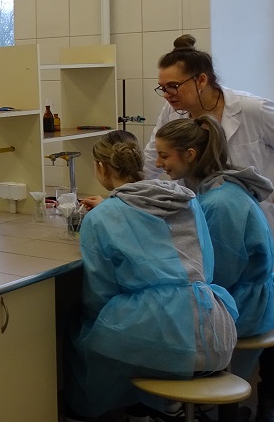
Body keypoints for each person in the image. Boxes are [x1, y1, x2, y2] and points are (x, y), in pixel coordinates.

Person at [64, 130, 237, 421]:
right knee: (129, 332)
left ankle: (87, 413)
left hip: (162, 337)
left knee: (85, 334)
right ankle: (153, 408)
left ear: (102, 168)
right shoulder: (187, 201)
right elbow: (206, 264)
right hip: (215, 329)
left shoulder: (101, 217)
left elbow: (99, 294)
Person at [155, 116, 274, 340]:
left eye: (164, 155)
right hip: (243, 294)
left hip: (244, 306)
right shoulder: (214, 188)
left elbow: (220, 274)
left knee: (153, 320)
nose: (157, 164)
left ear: (190, 155)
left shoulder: (220, 203)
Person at [143, 35, 274, 223]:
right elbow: (150, 161)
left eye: (173, 86)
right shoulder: (171, 112)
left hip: (253, 216)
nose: (166, 95)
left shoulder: (253, 109)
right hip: (201, 216)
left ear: (201, 80)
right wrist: (127, 198)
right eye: (162, 88)